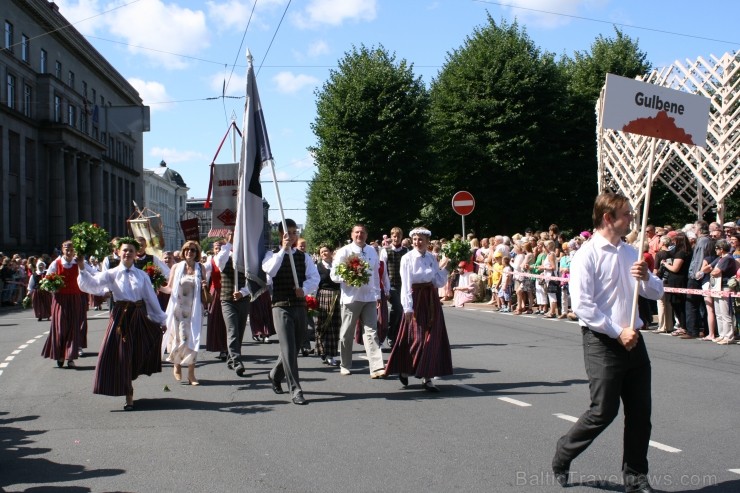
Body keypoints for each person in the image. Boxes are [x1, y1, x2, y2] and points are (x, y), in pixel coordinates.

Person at [552, 192, 663, 493]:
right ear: (607, 218)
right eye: (626, 214)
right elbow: (583, 306)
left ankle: (636, 478)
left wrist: (647, 278)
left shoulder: (631, 252)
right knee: (603, 410)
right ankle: (564, 452)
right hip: (603, 341)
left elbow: (657, 292)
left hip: (634, 340)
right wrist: (617, 331)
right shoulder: (586, 255)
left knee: (640, 414)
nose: (631, 219)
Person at [77, 237, 167, 411]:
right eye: (124, 250)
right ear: (118, 253)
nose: (127, 253)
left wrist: (160, 319)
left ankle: (129, 385)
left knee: (135, 352)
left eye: (131, 251)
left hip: (138, 316)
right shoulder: (111, 274)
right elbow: (92, 283)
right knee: (121, 354)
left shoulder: (142, 275)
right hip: (120, 317)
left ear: (136, 254)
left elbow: (150, 298)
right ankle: (129, 394)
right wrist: (81, 266)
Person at [384, 227, 452, 392]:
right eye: (415, 239)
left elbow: (437, 281)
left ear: (427, 241)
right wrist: (407, 307)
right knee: (418, 338)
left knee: (433, 338)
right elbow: (406, 284)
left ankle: (427, 378)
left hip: (430, 299)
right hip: (416, 299)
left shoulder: (431, 257)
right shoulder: (407, 258)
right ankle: (406, 369)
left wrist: (448, 268)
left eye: (420, 239)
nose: (417, 242)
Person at [262, 219, 319, 405]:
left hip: (299, 305)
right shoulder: (271, 255)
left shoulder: (304, 257)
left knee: (294, 347)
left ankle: (274, 374)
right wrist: (282, 252)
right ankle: (295, 389)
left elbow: (314, 278)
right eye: (288, 233)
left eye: (294, 232)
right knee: (288, 347)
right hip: (280, 306)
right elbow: (269, 271)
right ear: (281, 235)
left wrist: (304, 288)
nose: (292, 236)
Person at [330, 224, 386, 378]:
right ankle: (345, 364)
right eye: (357, 232)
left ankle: (376, 367)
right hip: (350, 298)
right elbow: (334, 275)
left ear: (366, 235)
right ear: (352, 234)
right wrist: (348, 277)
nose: (359, 235)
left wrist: (378, 294)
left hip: (368, 297)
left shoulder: (372, 251)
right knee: (347, 333)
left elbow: (375, 275)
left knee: (371, 332)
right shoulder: (344, 251)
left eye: (362, 232)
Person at [41, 240, 96, 368]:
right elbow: (47, 279)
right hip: (60, 299)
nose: (69, 251)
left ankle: (70, 356)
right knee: (60, 326)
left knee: (73, 327)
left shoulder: (79, 262)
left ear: (74, 250)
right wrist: (52, 287)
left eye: (71, 249)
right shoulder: (57, 263)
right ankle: (60, 354)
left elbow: (94, 273)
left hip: (75, 298)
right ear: (62, 249)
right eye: (66, 249)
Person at [159, 241, 206, 386]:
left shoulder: (201, 268)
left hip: (194, 311)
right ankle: (177, 365)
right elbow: (169, 288)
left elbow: (204, 288)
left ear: (197, 252)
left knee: (193, 340)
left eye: (192, 250)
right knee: (180, 339)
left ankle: (191, 374)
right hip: (178, 310)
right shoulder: (176, 267)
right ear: (183, 251)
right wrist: (155, 284)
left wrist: (204, 286)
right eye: (187, 249)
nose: (189, 252)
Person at [213, 230, 251, 376]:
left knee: (240, 331)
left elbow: (253, 279)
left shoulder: (246, 257)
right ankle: (237, 361)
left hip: (243, 298)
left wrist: (243, 292)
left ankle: (231, 358)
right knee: (232, 330)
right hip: (227, 299)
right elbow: (218, 262)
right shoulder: (223, 255)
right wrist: (228, 243)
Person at [315, 245, 341, 366]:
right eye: (321, 252)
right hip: (323, 296)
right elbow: (315, 283)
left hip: (337, 296)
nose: (324, 253)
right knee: (322, 324)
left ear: (331, 252)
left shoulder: (337, 265)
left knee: (334, 326)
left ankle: (330, 354)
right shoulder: (317, 267)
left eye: (326, 251)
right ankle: (322, 351)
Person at [203, 240, 228, 361]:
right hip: (215, 292)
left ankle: (228, 348)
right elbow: (205, 272)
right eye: (216, 248)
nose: (217, 250)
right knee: (215, 320)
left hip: (227, 291)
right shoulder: (210, 260)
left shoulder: (229, 257)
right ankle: (220, 347)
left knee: (227, 321)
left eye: (220, 247)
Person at [709, 239, 737, 345]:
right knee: (718, 313)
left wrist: (711, 272)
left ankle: (729, 337)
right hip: (717, 287)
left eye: (716, 248)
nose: (715, 250)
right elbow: (708, 268)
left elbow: (716, 272)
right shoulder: (720, 258)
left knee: (726, 313)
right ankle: (722, 334)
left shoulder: (727, 258)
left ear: (721, 249)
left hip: (725, 287)